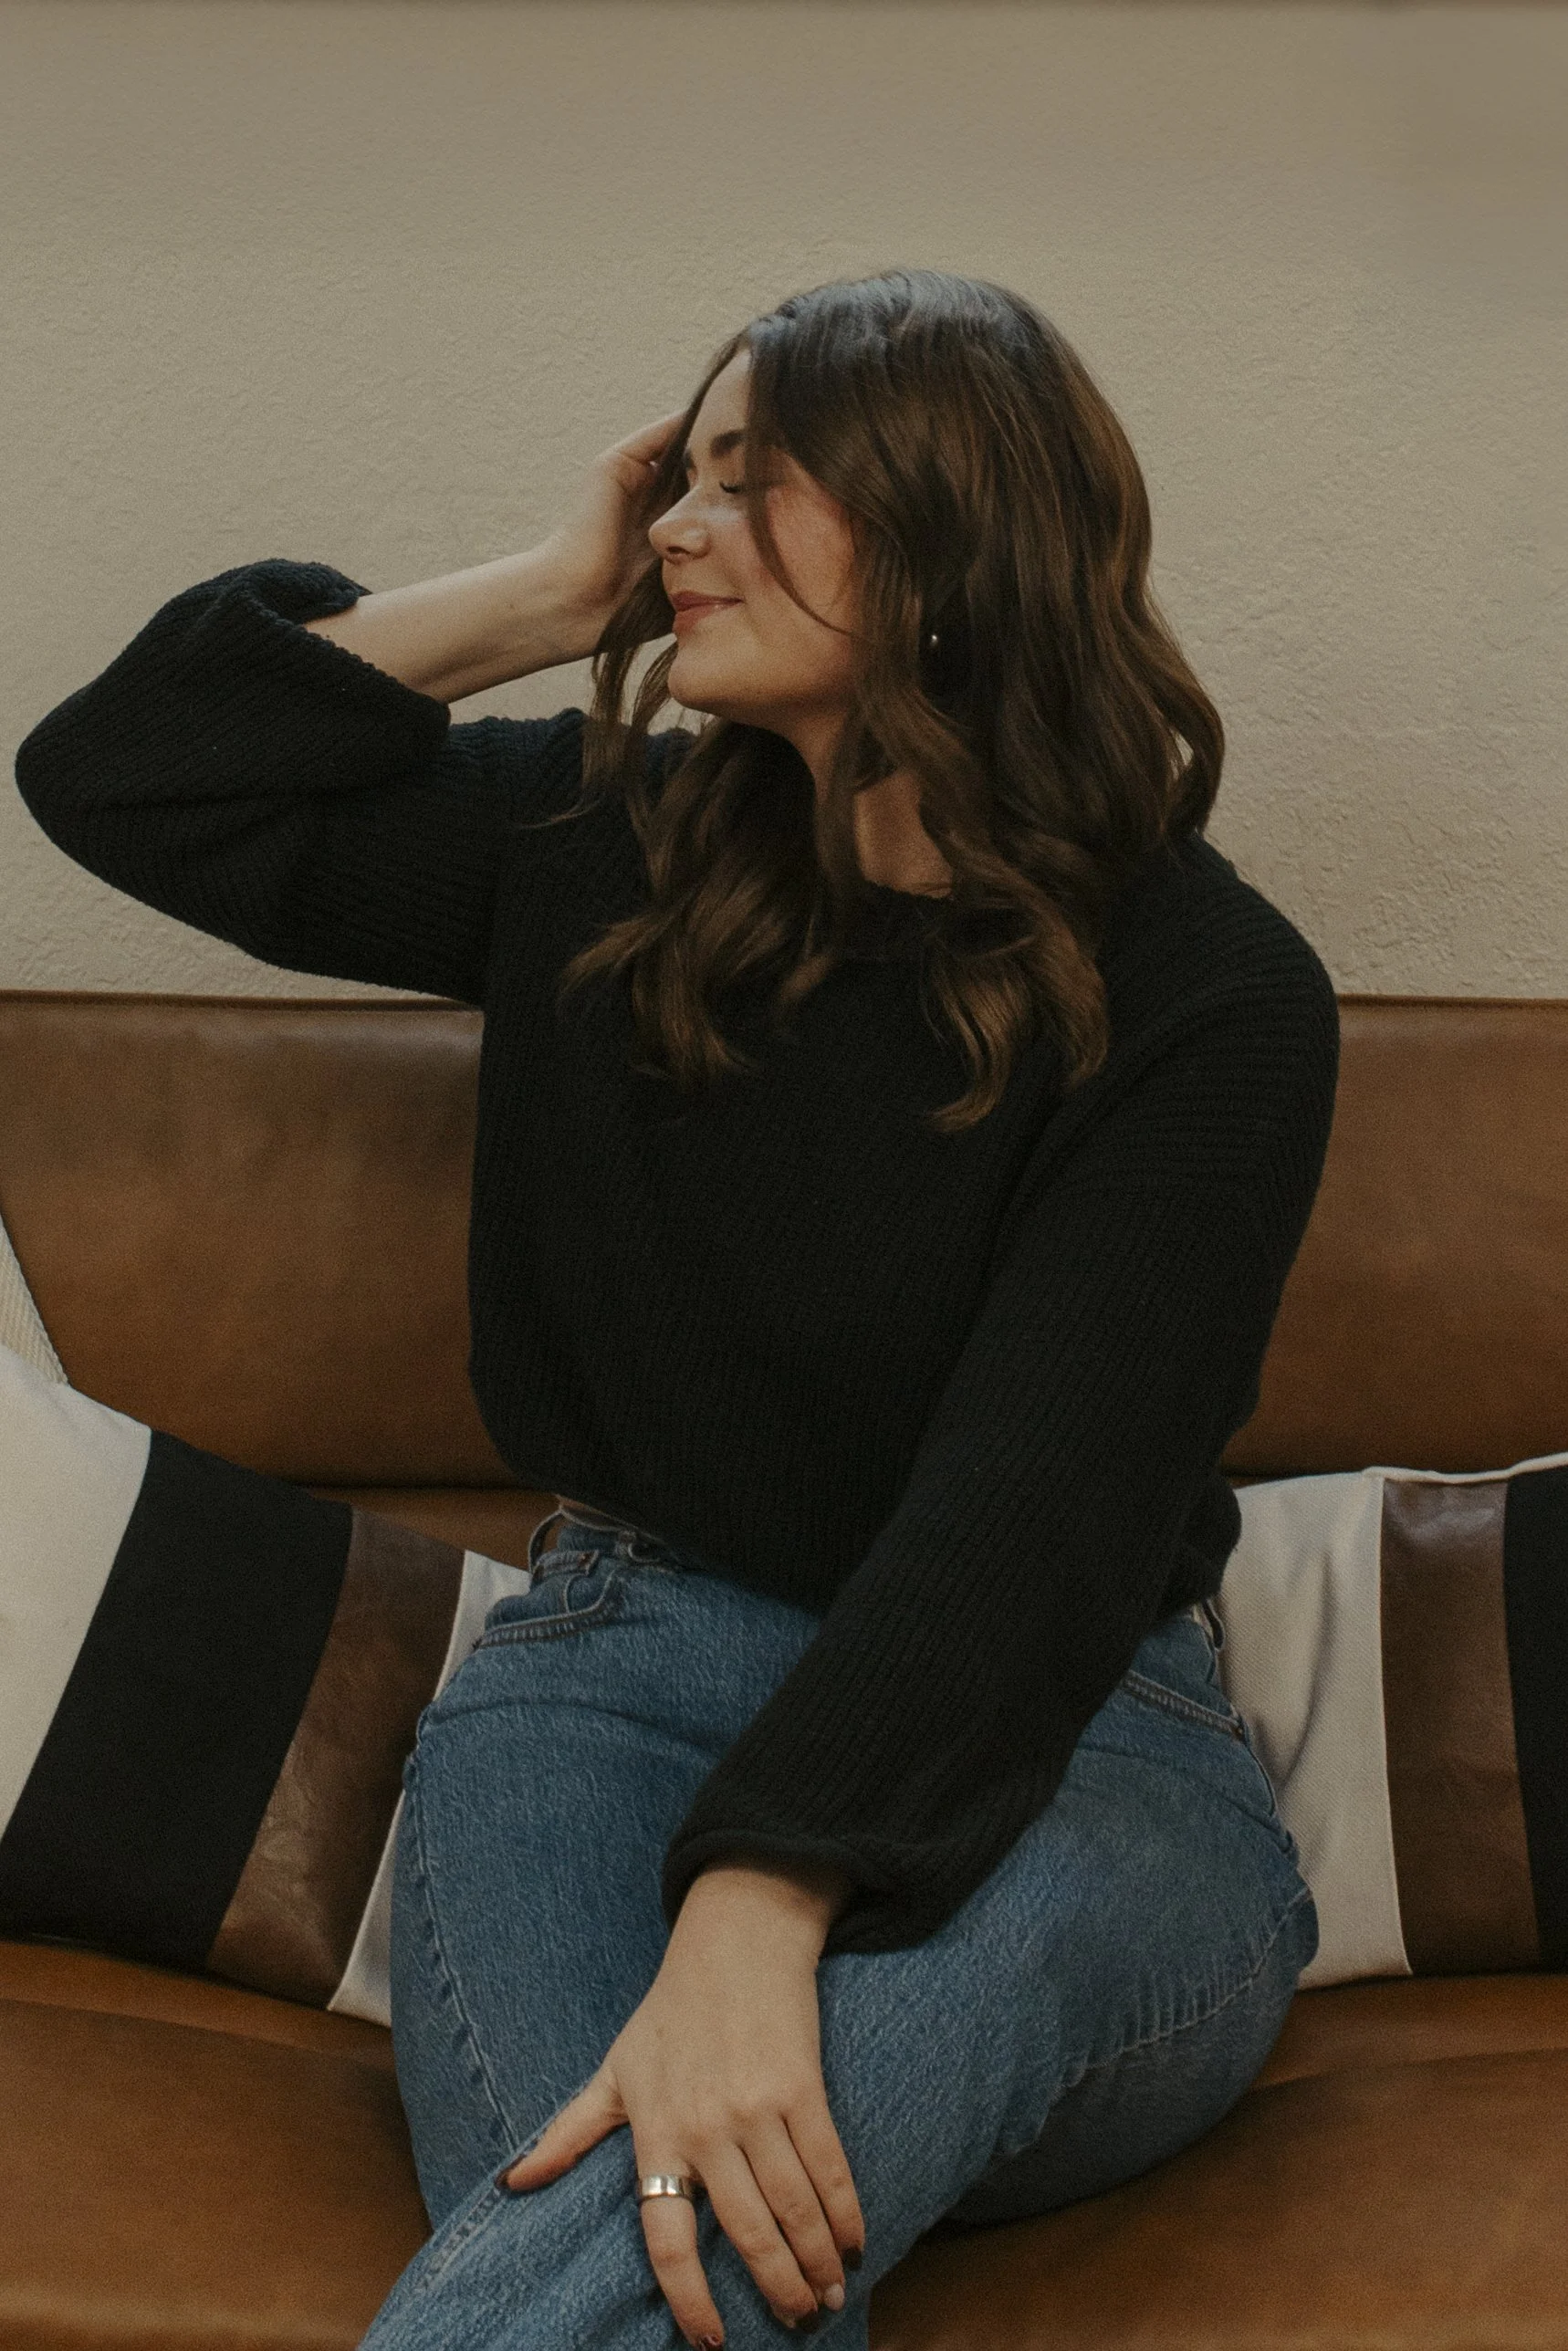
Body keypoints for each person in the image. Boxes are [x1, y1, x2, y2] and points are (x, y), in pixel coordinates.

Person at [16, 268, 1338, 2350]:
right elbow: (124, 772)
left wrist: (757, 1896)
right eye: (681, 479)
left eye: (751, 480)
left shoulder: (1209, 995)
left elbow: (1035, 1522)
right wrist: (549, 599)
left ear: (954, 532)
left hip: (1082, 1742)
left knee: (693, 2179)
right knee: (650, 2229)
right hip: (613, 1673)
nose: (679, 529)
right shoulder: (599, 847)